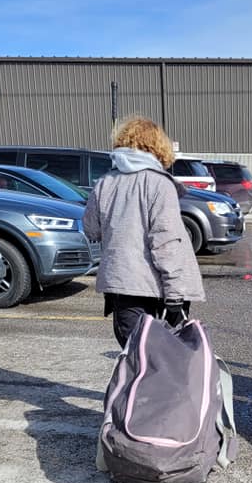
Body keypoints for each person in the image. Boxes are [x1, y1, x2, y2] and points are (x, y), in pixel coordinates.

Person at [83, 116, 204, 347]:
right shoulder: (159, 184)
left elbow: (91, 229)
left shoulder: (105, 182)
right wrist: (175, 292)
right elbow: (167, 242)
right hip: (161, 288)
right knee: (167, 359)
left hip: (123, 285)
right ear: (158, 146)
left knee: (135, 356)